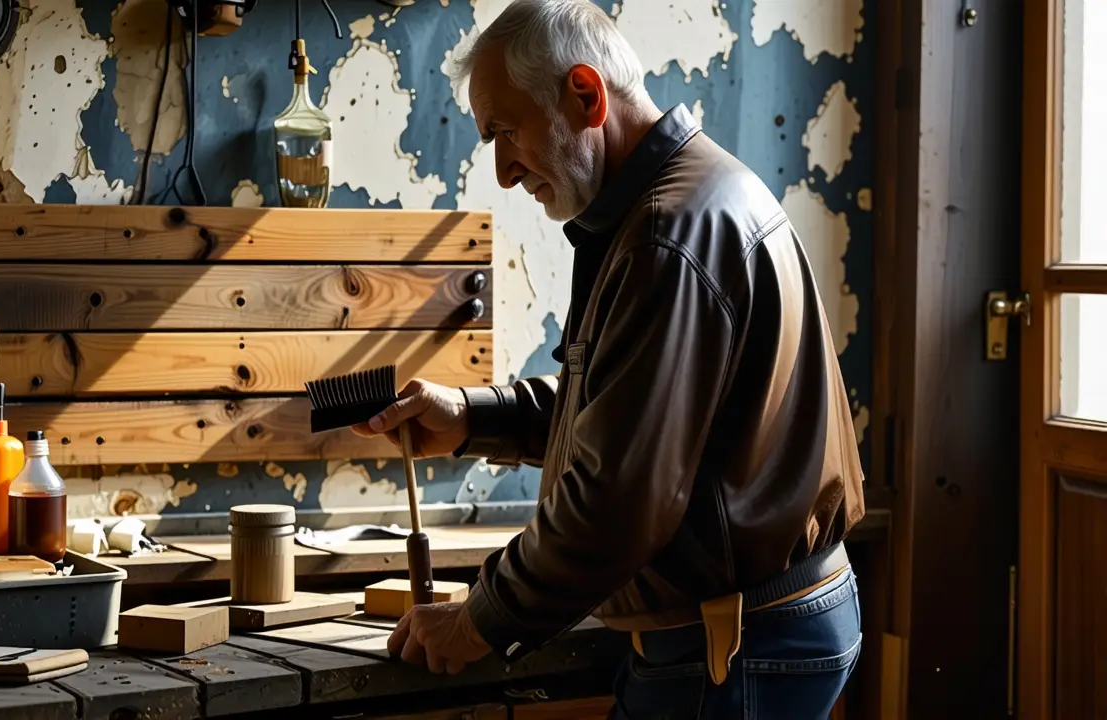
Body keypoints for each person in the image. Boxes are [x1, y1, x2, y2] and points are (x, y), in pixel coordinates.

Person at [351, 1, 867, 717]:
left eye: (505, 132)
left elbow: (620, 500)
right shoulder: (673, 207)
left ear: (586, 95)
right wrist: (473, 417)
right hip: (743, 633)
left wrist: (480, 621)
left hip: (732, 645)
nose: (502, 172)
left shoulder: (668, 235)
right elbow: (631, 415)